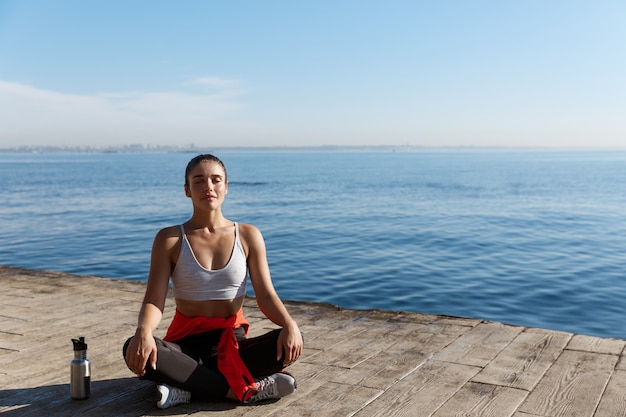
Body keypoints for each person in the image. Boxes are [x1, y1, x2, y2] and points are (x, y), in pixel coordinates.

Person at [123, 154, 303, 409]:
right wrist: (143, 331)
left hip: (233, 344)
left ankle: (186, 387)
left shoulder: (248, 235)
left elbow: (266, 295)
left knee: (292, 341)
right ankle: (242, 390)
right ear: (187, 190)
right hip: (185, 346)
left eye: (216, 180)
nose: (208, 186)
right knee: (134, 348)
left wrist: (289, 324)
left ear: (226, 187)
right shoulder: (170, 239)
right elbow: (154, 299)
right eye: (198, 180)